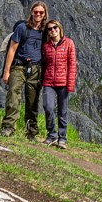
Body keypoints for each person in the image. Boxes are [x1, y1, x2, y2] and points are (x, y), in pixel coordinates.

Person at [0, 1, 48, 139]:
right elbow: (12, 49)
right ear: (31, 12)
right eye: (36, 11)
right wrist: (6, 71)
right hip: (19, 66)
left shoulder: (45, 31)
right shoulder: (22, 28)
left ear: (45, 14)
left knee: (32, 100)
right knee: (13, 94)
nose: (38, 14)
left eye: (41, 12)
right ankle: (8, 127)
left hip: (36, 68)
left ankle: (31, 131)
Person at [41, 19, 77, 149]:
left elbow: (72, 65)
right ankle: (51, 135)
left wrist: (70, 84)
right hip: (48, 82)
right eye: (49, 29)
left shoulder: (69, 43)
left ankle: (62, 138)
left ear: (59, 28)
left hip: (63, 83)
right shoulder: (45, 46)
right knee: (48, 107)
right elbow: (44, 64)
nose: (52, 30)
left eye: (55, 27)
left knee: (62, 111)